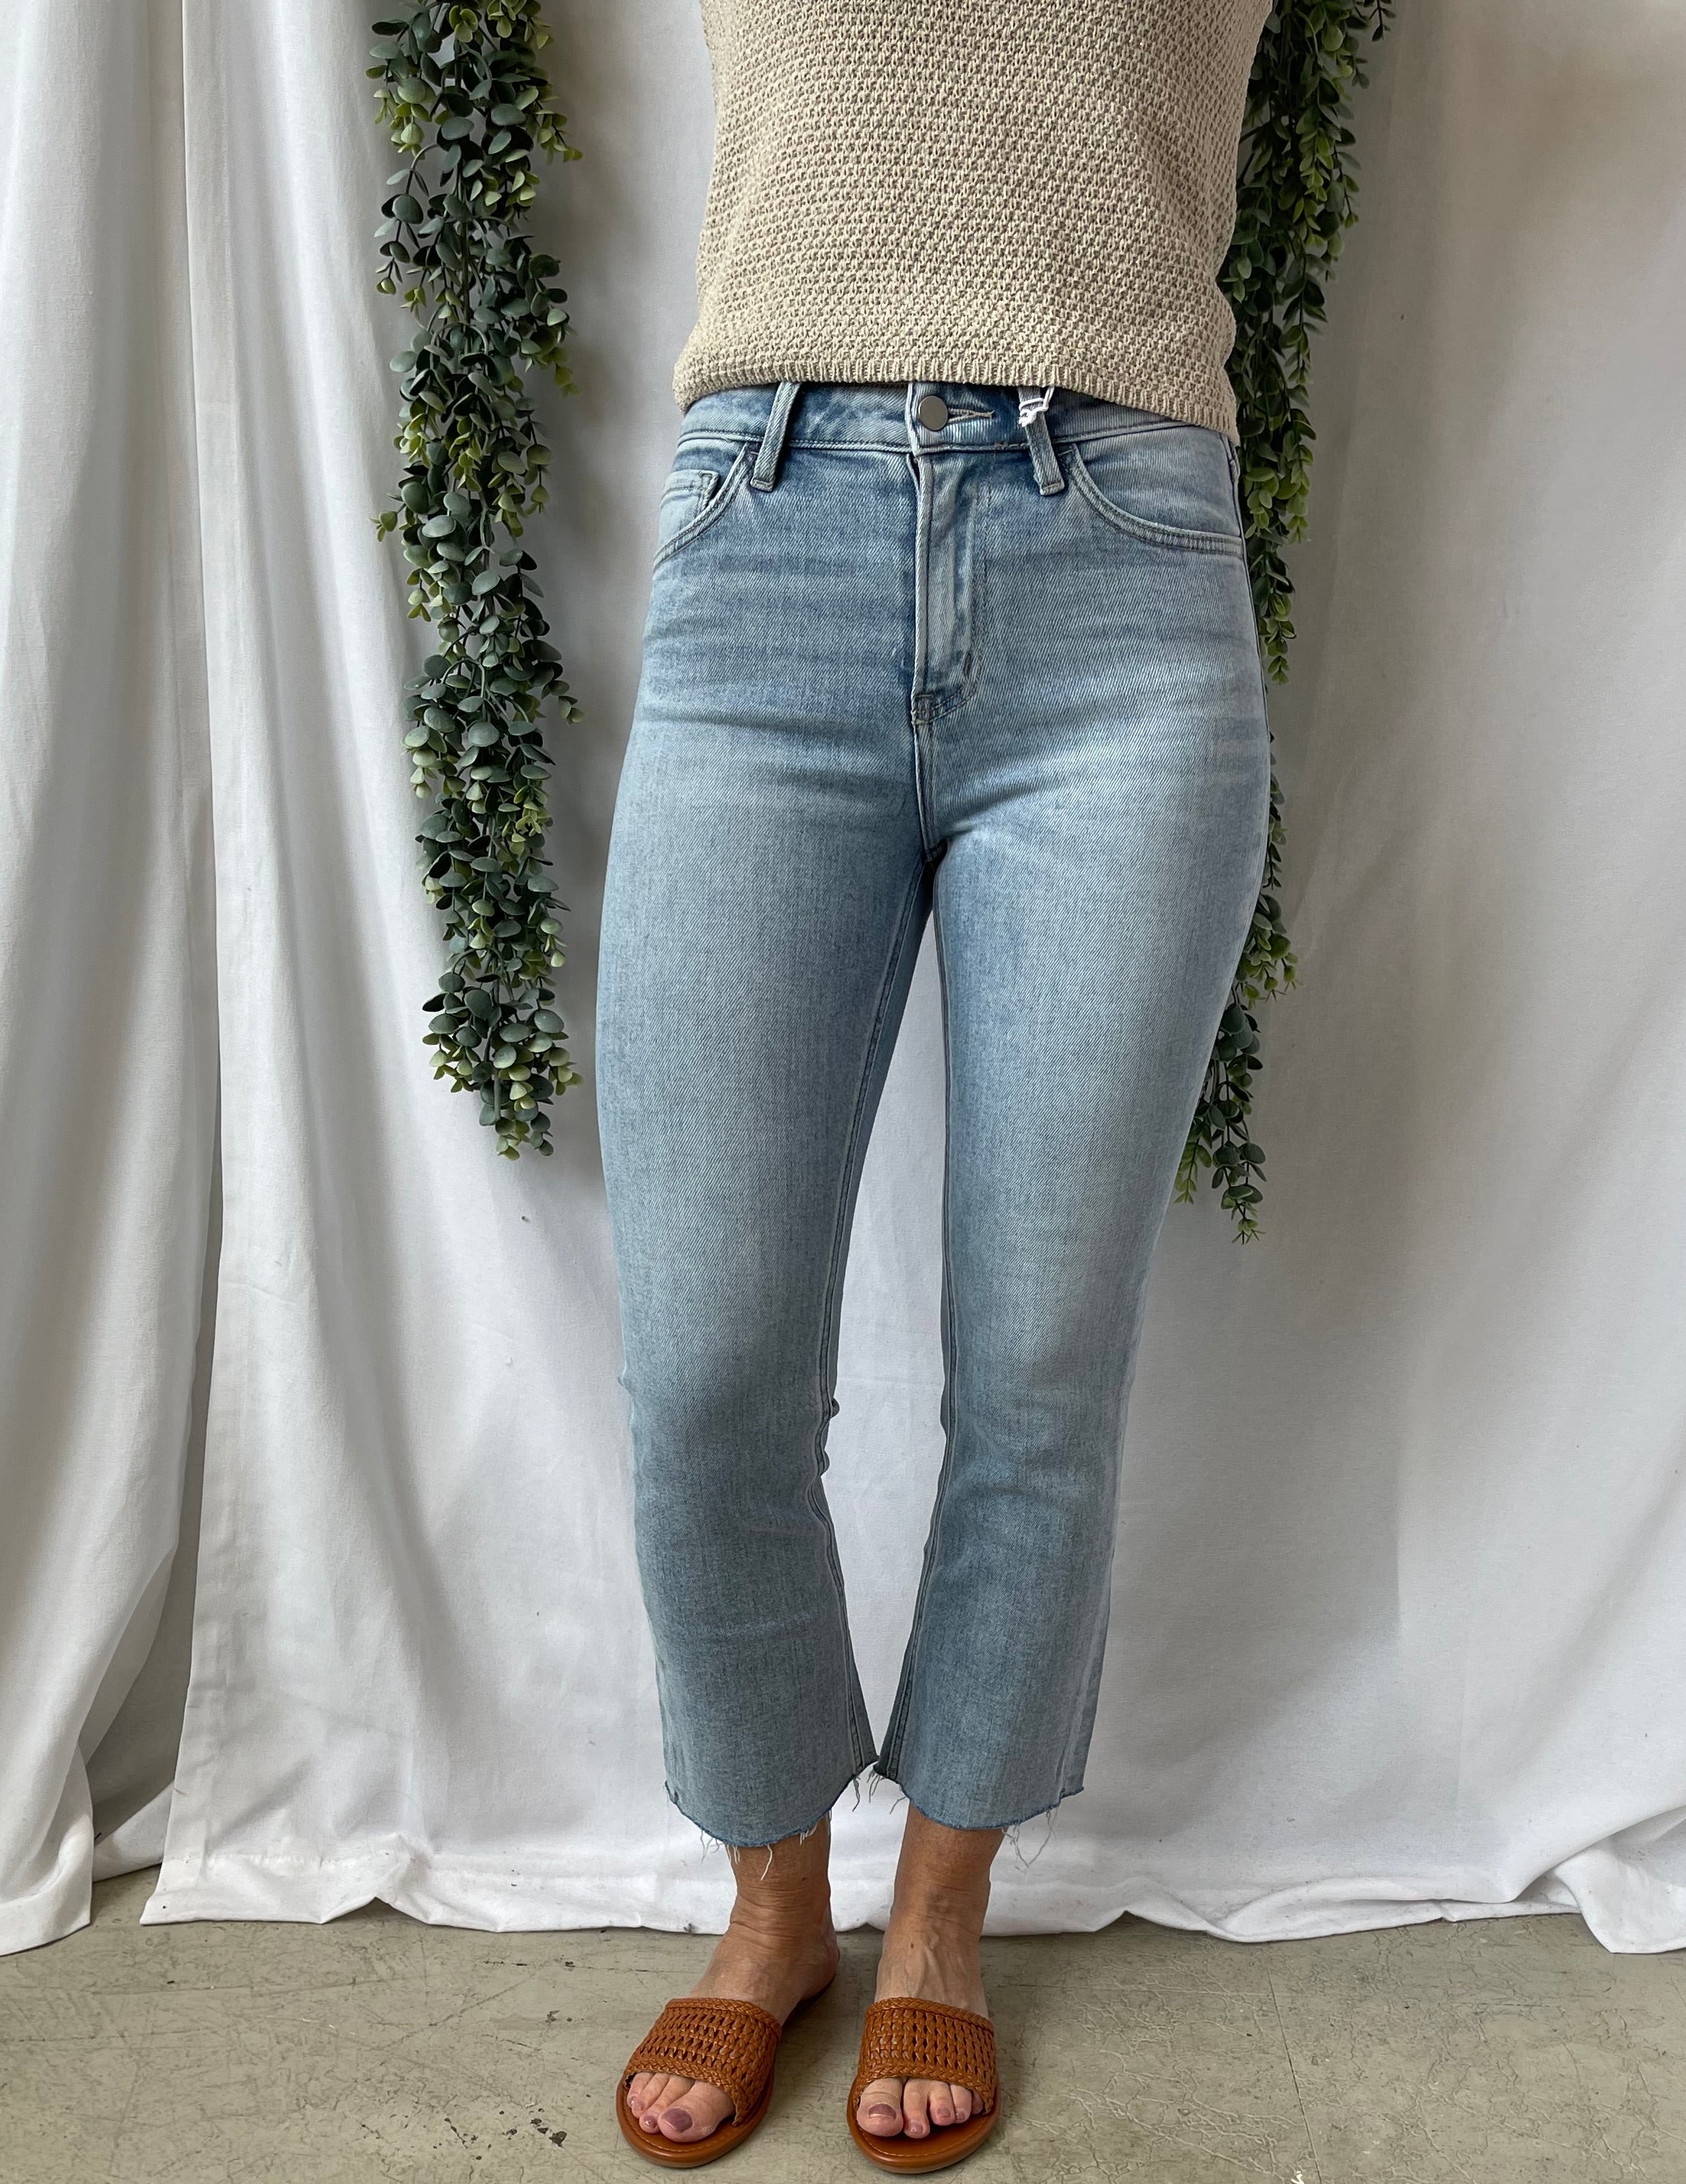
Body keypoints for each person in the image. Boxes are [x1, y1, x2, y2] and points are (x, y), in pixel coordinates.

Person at [594, 0, 1275, 2167]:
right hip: (764, 547)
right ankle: (772, 1905)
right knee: (706, 1364)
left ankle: (941, 1919)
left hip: (1120, 577)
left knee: (1039, 1362)